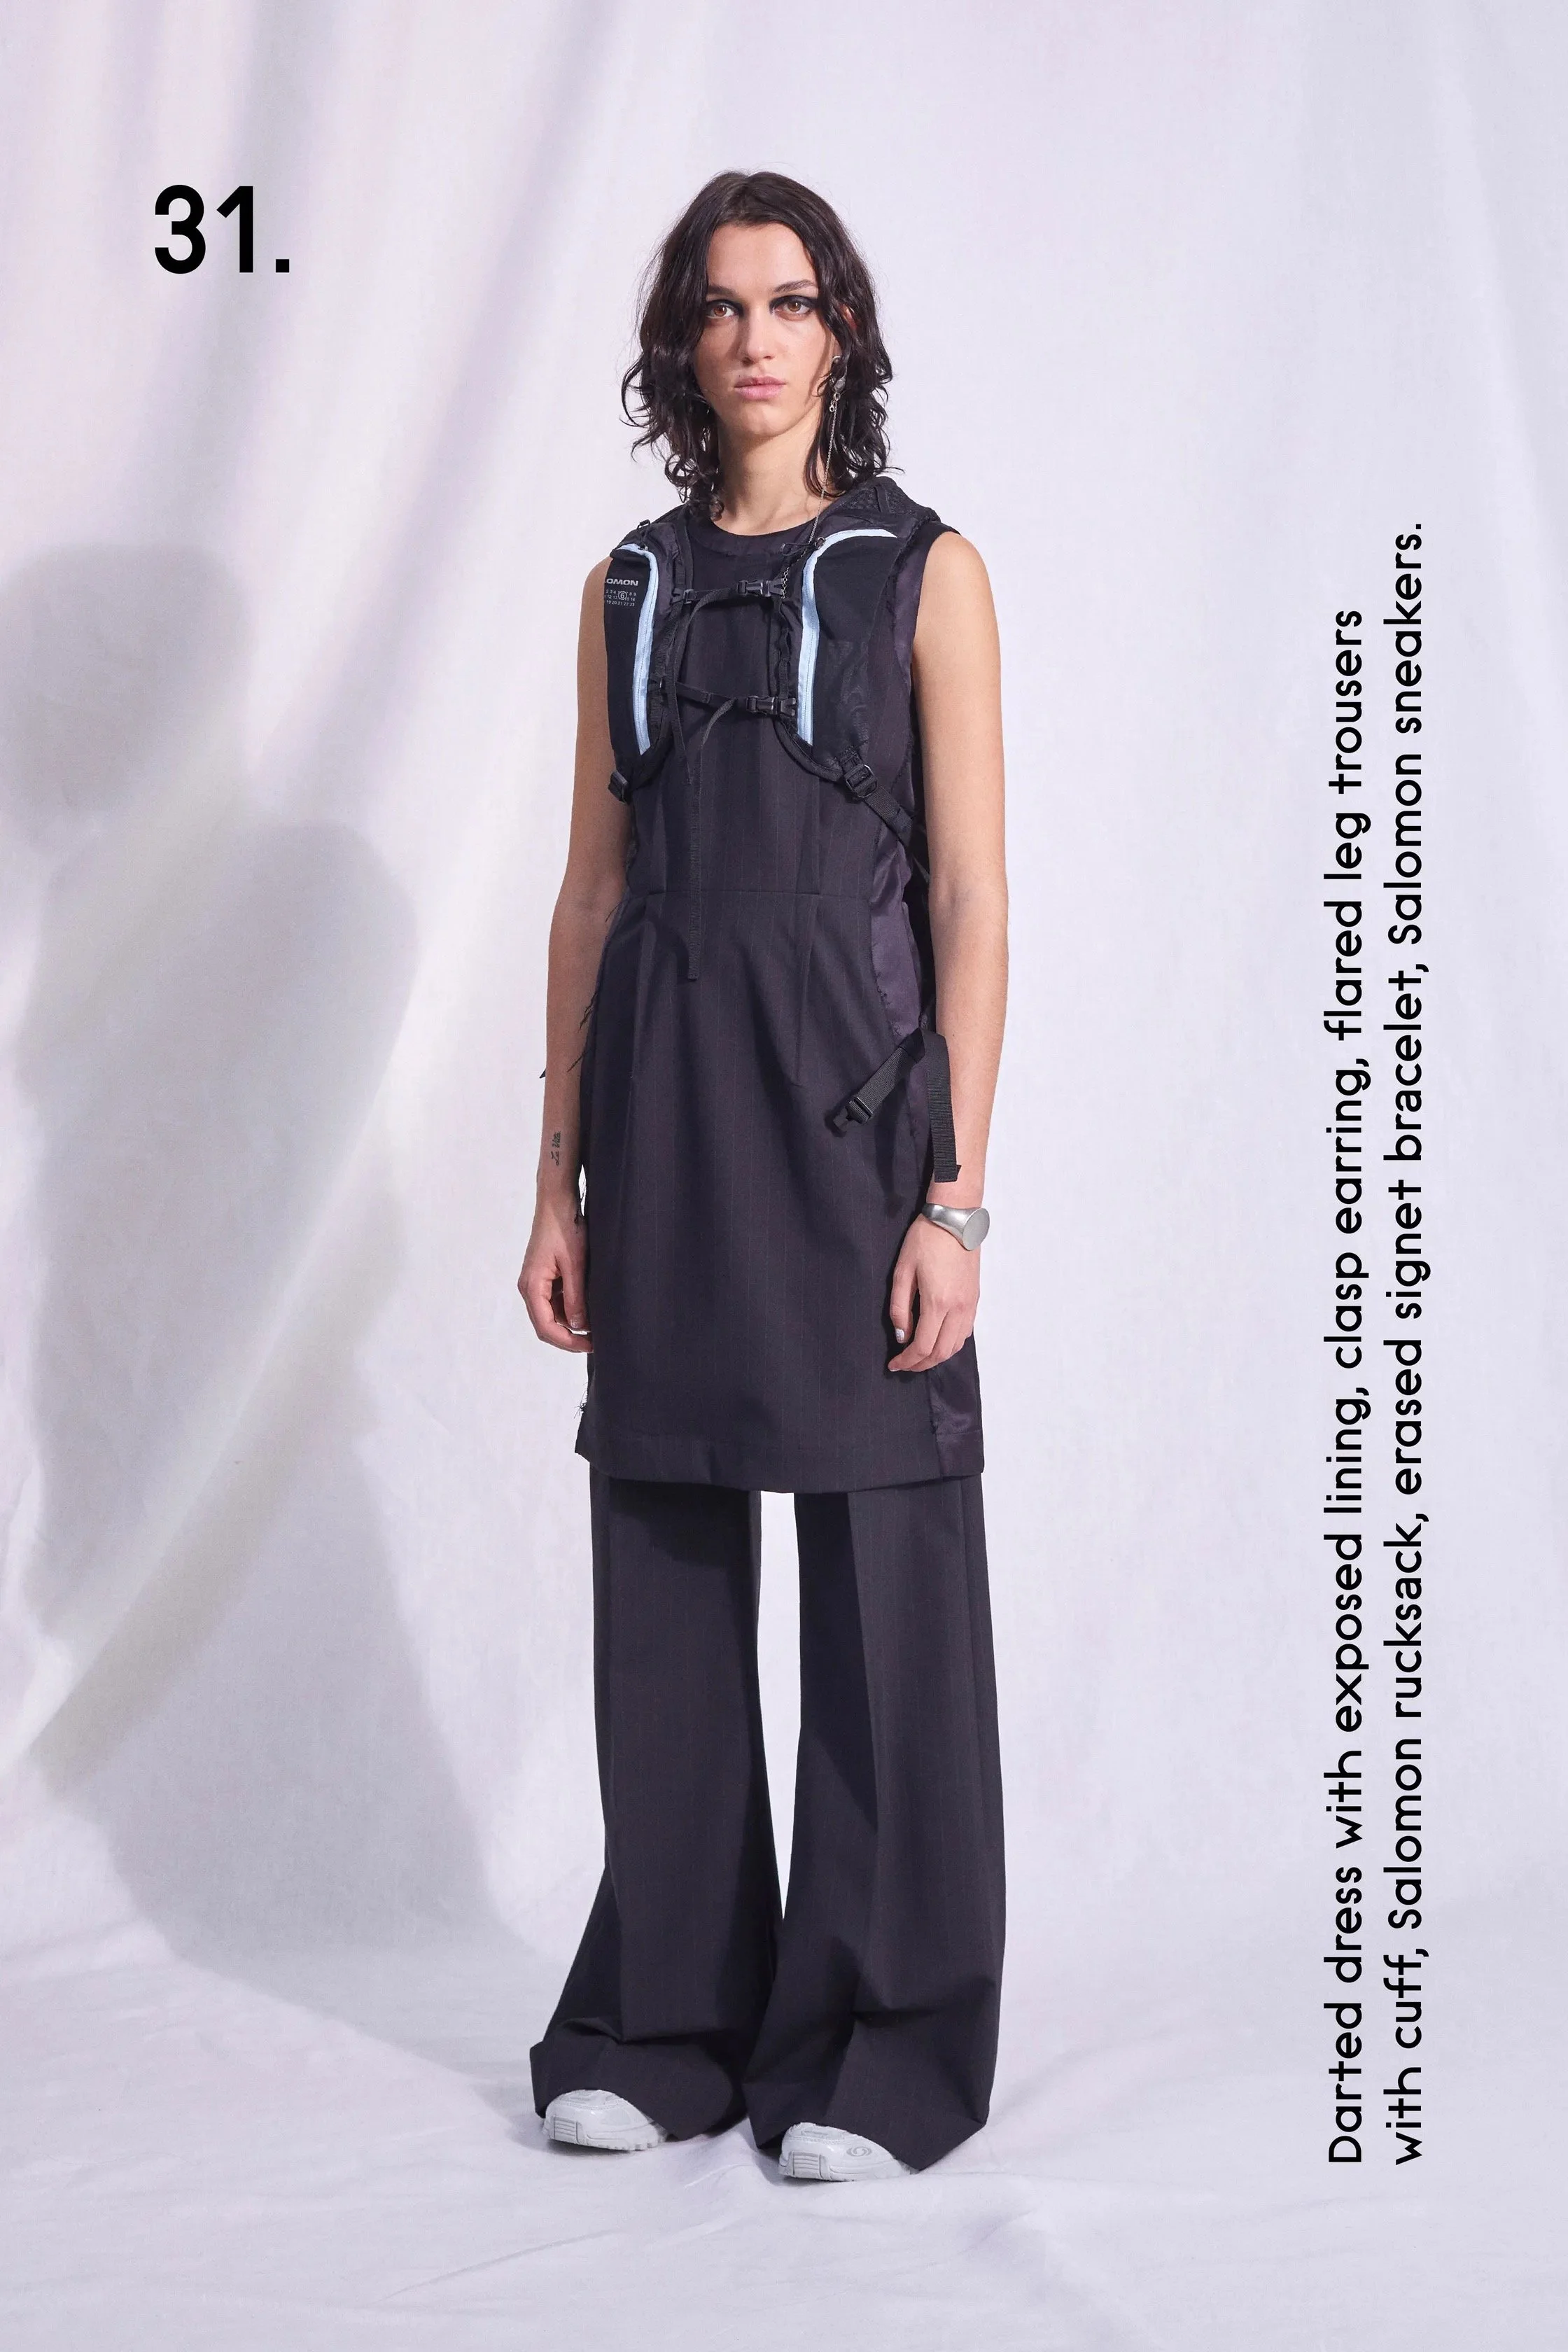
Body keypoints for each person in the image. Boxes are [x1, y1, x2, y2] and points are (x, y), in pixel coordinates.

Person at [518, 170, 1007, 2181]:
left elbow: (971, 896)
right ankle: (669, 2024)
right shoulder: (625, 587)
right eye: (721, 307)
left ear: (840, 333)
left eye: (790, 302)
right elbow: (590, 888)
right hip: (663, 1105)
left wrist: (954, 1194)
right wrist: (557, 1179)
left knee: (883, 1553)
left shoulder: (925, 572)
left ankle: (885, 2044)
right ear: (682, 344)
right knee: (663, 1549)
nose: (754, 339)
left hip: (853, 1110)